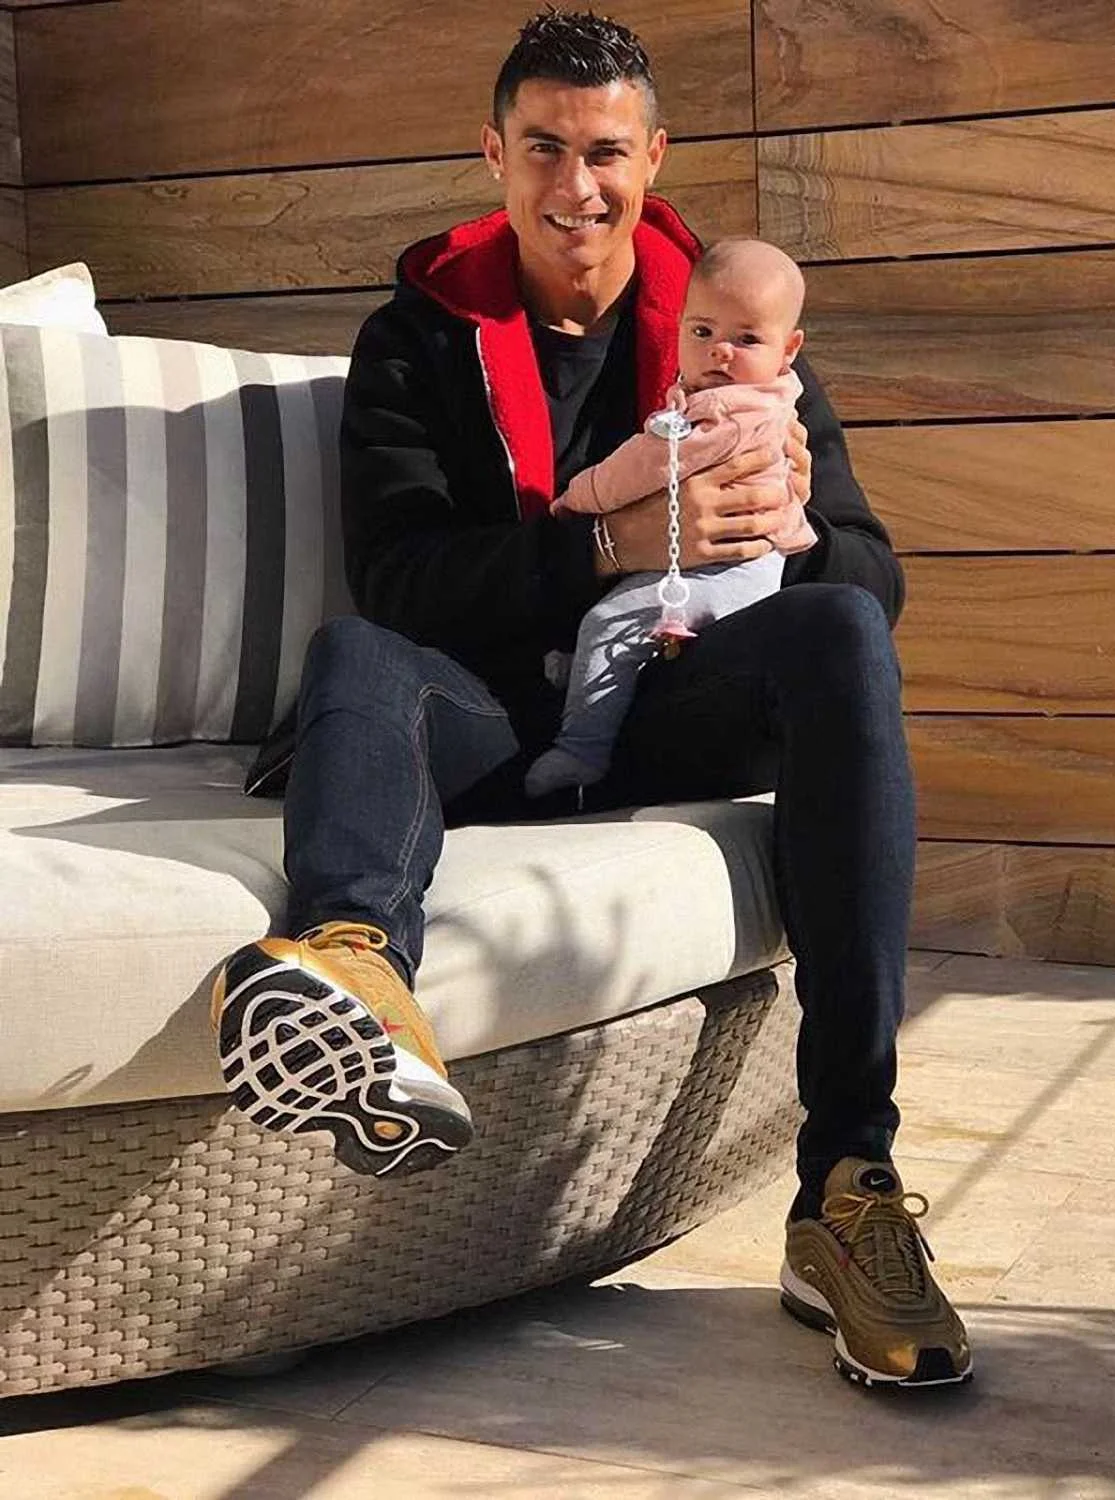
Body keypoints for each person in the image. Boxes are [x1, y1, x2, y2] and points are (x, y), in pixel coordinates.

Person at [212, 9, 972, 1388]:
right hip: (500, 721)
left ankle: (849, 1188)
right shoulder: (416, 339)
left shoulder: (738, 334)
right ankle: (355, 972)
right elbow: (403, 580)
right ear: (494, 153)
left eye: (606, 151)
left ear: (654, 156)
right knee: (357, 652)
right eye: (545, 148)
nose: (578, 185)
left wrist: (799, 525)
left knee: (843, 627)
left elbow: (873, 573)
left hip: (676, 712)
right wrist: (607, 547)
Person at [525, 235, 817, 797]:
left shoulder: (727, 416)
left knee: (608, 623)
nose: (720, 352)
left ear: (789, 348)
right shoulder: (765, 400)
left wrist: (575, 500)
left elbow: (638, 470)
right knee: (618, 608)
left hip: (729, 576)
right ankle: (587, 676)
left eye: (746, 338)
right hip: (730, 567)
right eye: (702, 332)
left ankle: (580, 751)